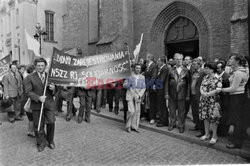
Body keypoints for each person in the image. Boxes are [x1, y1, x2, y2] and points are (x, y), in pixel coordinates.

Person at [25, 58, 56, 152]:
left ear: (45, 66)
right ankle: (41, 143)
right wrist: (38, 98)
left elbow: (56, 91)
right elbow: (28, 92)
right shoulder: (29, 77)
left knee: (51, 122)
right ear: (35, 66)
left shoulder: (49, 76)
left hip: (49, 104)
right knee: (39, 125)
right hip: (36, 105)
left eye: (42, 65)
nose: (40, 67)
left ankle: (50, 140)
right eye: (38, 65)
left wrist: (54, 88)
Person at [219, 54, 249, 149]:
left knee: (237, 120)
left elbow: (233, 88)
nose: (229, 60)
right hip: (236, 97)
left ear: (237, 61)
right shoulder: (237, 71)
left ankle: (237, 142)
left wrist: (221, 89)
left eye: (232, 58)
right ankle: (237, 139)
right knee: (236, 119)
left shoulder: (239, 73)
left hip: (236, 97)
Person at [166, 53, 190, 133]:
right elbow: (166, 82)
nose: (179, 60)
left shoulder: (186, 70)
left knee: (181, 112)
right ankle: (172, 124)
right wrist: (166, 93)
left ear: (182, 60)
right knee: (172, 111)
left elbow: (189, 83)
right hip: (172, 94)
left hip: (182, 94)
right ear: (174, 60)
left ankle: (181, 125)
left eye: (180, 59)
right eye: (177, 59)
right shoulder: (170, 70)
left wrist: (187, 95)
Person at [199, 62, 222, 144]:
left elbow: (218, 89)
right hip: (204, 100)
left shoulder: (218, 78)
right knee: (205, 117)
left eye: (207, 68)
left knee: (214, 119)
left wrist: (208, 94)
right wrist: (202, 93)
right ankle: (207, 134)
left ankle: (214, 136)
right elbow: (201, 86)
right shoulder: (205, 77)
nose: (205, 70)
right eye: (205, 68)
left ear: (212, 69)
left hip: (213, 101)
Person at [124, 64, 146, 133]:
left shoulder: (142, 77)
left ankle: (134, 126)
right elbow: (124, 85)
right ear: (134, 69)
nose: (138, 69)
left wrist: (139, 95)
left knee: (137, 112)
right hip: (130, 95)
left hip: (137, 96)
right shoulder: (130, 76)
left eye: (139, 68)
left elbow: (143, 87)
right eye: (137, 68)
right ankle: (128, 126)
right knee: (131, 111)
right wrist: (128, 84)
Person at [216, 60, 230, 137]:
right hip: (218, 99)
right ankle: (219, 130)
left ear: (223, 68)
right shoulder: (216, 75)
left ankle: (223, 132)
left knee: (224, 116)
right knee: (218, 115)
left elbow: (227, 90)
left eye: (218, 68)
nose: (217, 69)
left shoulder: (226, 76)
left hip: (224, 99)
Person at [143, 53, 158, 124]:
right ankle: (148, 116)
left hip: (151, 87)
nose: (146, 59)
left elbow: (153, 77)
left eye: (147, 58)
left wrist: (148, 85)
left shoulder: (154, 66)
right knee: (147, 102)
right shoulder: (147, 66)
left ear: (150, 58)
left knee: (152, 102)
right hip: (146, 86)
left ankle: (152, 118)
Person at [156, 56, 169, 127]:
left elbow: (161, 79)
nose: (157, 62)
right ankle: (162, 119)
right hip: (160, 89)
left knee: (162, 106)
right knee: (161, 106)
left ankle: (163, 121)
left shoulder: (165, 69)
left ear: (162, 61)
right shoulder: (162, 68)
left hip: (162, 90)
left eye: (158, 61)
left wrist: (155, 85)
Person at [23, 64, 36, 138]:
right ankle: (31, 132)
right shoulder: (29, 79)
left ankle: (29, 131)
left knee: (30, 119)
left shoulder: (27, 77)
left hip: (28, 101)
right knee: (32, 119)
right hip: (30, 102)